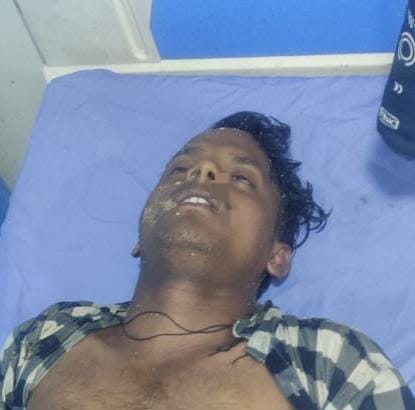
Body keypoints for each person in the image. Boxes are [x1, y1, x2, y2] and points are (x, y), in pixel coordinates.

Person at [0, 112, 414, 409]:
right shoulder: (47, 336)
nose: (203, 174)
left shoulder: (327, 359)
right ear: (139, 240)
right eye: (180, 169)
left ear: (277, 255)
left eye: (241, 178)